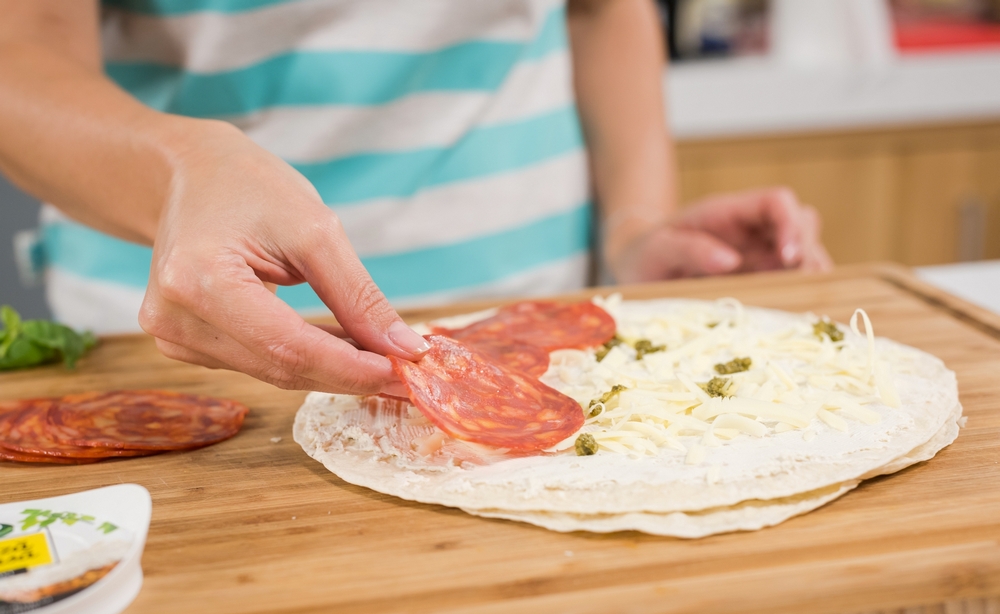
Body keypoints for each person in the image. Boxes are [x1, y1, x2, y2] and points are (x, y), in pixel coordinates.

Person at [0, 0, 831, 398]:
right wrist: (181, 166)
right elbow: (18, 52)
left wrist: (635, 226)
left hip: (546, 336)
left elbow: (604, 12)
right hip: (193, 347)